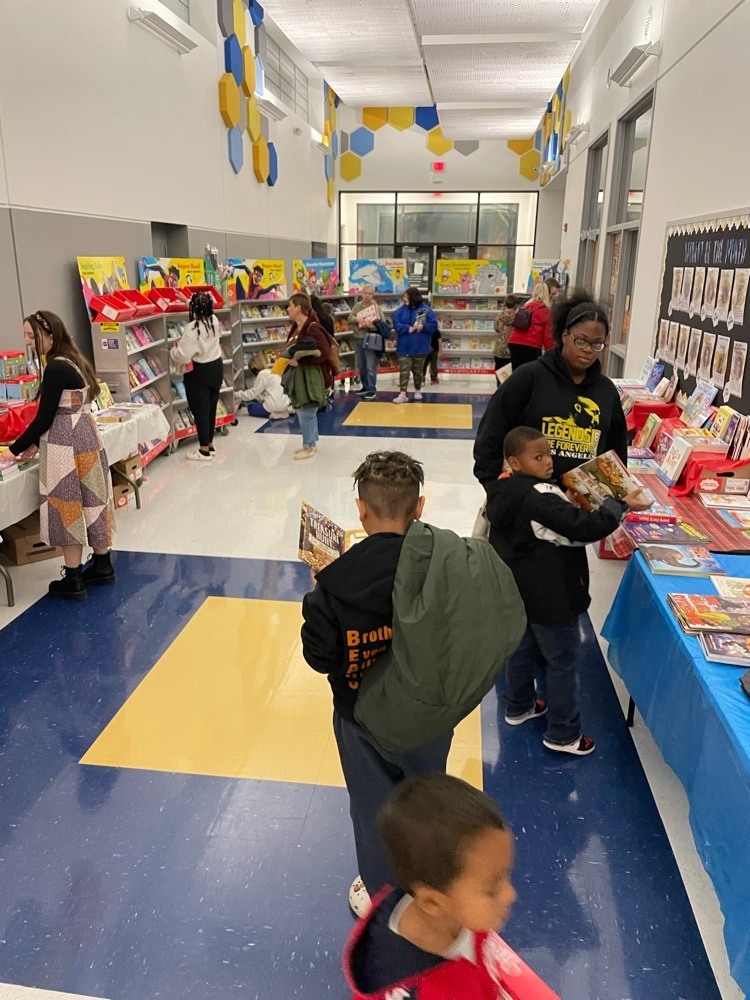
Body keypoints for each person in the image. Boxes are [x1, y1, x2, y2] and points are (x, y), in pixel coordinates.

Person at [301, 451, 525, 918]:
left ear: (360, 511)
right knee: (425, 797)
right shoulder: (442, 567)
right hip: (428, 712)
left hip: (360, 716)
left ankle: (383, 898)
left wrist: (318, 589)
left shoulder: (334, 584)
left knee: (372, 806)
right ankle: (431, 878)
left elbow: (319, 657)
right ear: (419, 507)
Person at [486, 426, 651, 756]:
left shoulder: (501, 490)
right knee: (561, 661)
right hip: (552, 597)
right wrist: (617, 505)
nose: (548, 461)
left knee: (520, 649)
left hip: (517, 592)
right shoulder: (540, 498)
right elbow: (581, 530)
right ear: (514, 462)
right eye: (538, 456)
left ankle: (518, 706)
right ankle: (563, 734)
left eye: (548, 453)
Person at [345, 773, 530, 1000]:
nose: (511, 894)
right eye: (491, 889)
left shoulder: (458, 909)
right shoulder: (424, 991)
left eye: (506, 875)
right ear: (432, 902)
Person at [0, 311, 115, 600]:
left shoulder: (54, 368)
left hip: (65, 443)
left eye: (31, 335)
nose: (27, 342)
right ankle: (103, 565)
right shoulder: (75, 359)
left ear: (49, 334)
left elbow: (43, 418)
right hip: (86, 436)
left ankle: (74, 578)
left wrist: (10, 450)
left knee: (67, 505)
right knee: (93, 500)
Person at [473, 290, 628, 487]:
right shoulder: (529, 377)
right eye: (581, 341)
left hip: (582, 512)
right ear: (565, 335)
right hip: (527, 503)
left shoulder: (606, 391)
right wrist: (496, 489)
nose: (588, 350)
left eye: (597, 344)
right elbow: (490, 435)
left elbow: (617, 454)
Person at [170, 291, 223, 462]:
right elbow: (201, 311)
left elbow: (183, 356)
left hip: (200, 372)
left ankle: (203, 450)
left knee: (199, 409)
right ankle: (210, 444)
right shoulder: (214, 321)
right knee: (211, 407)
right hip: (216, 367)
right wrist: (186, 300)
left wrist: (172, 352)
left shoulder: (192, 330)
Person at [285, 293, 332, 460]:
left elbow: (324, 351)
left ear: (298, 308)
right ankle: (311, 443)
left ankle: (308, 445)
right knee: (304, 408)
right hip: (303, 374)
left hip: (311, 374)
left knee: (306, 408)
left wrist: (302, 362)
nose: (288, 309)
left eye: (290, 305)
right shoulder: (298, 326)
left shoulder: (312, 327)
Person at [391, 288, 438, 404]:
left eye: (406, 297)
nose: (404, 299)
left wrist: (424, 327)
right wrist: (406, 328)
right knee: (404, 371)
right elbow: (396, 324)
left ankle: (418, 390)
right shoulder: (400, 311)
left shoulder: (426, 310)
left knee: (418, 371)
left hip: (420, 346)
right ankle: (403, 393)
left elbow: (434, 326)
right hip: (404, 347)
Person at [348, 285, 385, 400]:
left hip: (371, 339)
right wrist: (357, 319)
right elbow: (349, 318)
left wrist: (372, 326)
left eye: (369, 293)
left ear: (373, 295)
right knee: (361, 364)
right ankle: (365, 386)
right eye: (365, 293)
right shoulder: (357, 306)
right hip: (358, 338)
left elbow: (382, 323)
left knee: (370, 365)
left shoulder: (376, 307)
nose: (367, 295)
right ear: (361, 294)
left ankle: (372, 389)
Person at [507, 282, 553, 371]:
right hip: (531, 345)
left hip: (514, 343)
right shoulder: (546, 311)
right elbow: (547, 335)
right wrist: (550, 352)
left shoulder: (525, 306)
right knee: (532, 374)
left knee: (517, 374)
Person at [492, 294, 518, 378]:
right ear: (515, 305)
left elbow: (496, 329)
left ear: (505, 303)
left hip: (499, 347)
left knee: (499, 371)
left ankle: (500, 388)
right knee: (511, 373)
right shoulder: (517, 317)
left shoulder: (499, 316)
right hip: (512, 348)